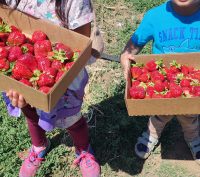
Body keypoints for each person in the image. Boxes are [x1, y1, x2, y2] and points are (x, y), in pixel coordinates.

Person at [2, 0, 101, 176]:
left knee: (71, 119)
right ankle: (39, 145)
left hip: (65, 81)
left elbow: (78, 48)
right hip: (23, 81)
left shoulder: (74, 3)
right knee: (30, 113)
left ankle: (83, 149)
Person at [120, 0, 200, 164]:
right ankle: (152, 135)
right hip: (160, 81)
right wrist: (125, 56)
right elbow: (134, 44)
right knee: (160, 114)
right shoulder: (155, 17)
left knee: (190, 115)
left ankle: (193, 137)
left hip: (193, 84)